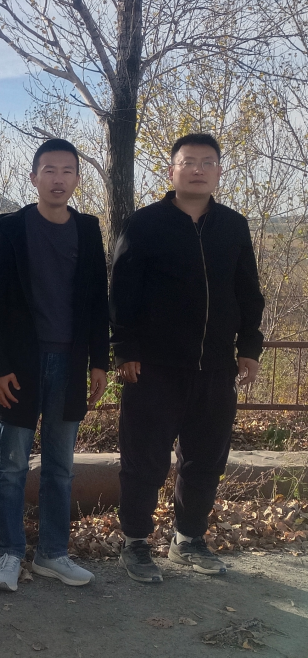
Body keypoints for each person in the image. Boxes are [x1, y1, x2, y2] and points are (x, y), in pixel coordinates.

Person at [110, 132, 264, 583]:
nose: (198, 169)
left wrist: (249, 347)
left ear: (218, 171)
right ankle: (135, 542)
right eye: (189, 161)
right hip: (153, 367)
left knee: (205, 459)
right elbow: (121, 292)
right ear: (172, 171)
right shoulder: (144, 224)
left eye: (207, 162)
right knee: (144, 460)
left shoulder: (233, 226)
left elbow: (248, 292)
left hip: (215, 367)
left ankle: (188, 539)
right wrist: (124, 349)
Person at [0, 138, 109, 592]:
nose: (58, 179)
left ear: (77, 178)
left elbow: (98, 301)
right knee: (12, 463)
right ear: (34, 177)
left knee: (60, 464)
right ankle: (10, 552)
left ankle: (53, 553)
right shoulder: (10, 228)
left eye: (67, 171)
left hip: (70, 363)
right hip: (20, 364)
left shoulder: (88, 230)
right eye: (49, 170)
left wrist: (99, 362)